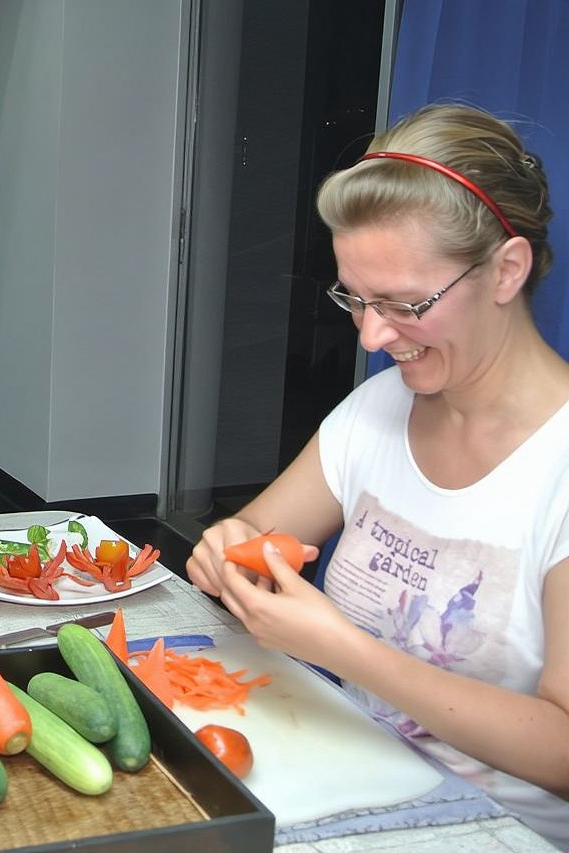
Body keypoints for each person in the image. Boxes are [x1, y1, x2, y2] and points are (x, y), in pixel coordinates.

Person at [186, 103, 569, 846]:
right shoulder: (380, 408)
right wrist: (231, 551)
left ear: (507, 270)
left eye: (403, 303)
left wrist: (345, 650)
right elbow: (255, 538)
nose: (371, 336)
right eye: (355, 299)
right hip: (348, 776)